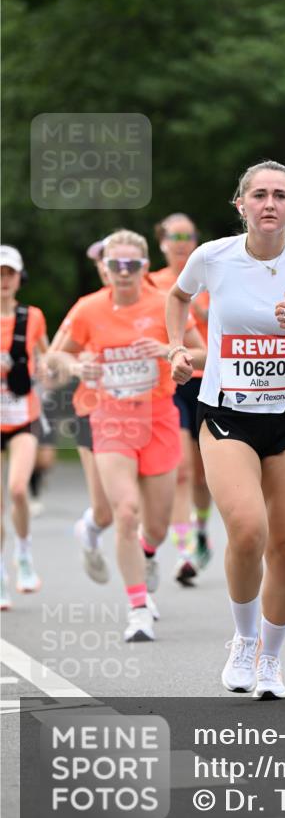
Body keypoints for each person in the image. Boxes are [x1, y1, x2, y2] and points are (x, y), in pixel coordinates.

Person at [166, 160, 285, 698]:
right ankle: (244, 642)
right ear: (241, 205)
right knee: (248, 530)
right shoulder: (212, 258)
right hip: (226, 414)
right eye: (259, 195)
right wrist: (178, 347)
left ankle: (271, 659)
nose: (269, 204)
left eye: (280, 196)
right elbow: (178, 297)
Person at [54, 230, 205, 641]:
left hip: (158, 418)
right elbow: (55, 357)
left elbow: (206, 354)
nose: (124, 273)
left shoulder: (165, 304)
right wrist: (75, 367)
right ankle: (138, 608)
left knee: (155, 527)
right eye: (116, 265)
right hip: (110, 419)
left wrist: (171, 353)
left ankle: (149, 553)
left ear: (143, 267)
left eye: (132, 265)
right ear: (105, 267)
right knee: (124, 512)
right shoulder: (88, 309)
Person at [47, 238, 114, 586]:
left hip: (145, 413)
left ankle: (141, 590)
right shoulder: (85, 309)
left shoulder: (154, 300)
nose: (110, 266)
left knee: (147, 505)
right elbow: (50, 366)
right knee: (107, 510)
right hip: (94, 411)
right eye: (103, 261)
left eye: (117, 259)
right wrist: (75, 366)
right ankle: (89, 529)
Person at [151, 214, 212, 584]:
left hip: (208, 378)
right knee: (182, 470)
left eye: (188, 236)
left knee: (205, 475)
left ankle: (202, 529)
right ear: (162, 242)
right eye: (174, 235)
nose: (181, 242)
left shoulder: (211, 277)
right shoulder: (152, 282)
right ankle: (185, 548)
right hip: (170, 381)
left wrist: (205, 311)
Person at [1, 245, 49, 609]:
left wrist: (49, 370)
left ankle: (23, 554)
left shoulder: (32, 317)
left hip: (23, 418)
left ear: (20, 278)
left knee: (18, 489)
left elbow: (46, 357)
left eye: (9, 273)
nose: (4, 280)